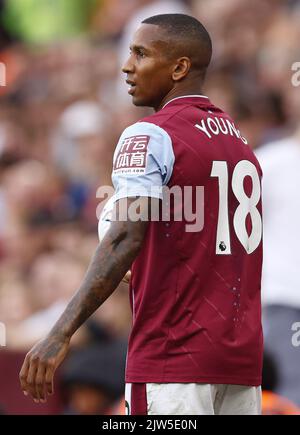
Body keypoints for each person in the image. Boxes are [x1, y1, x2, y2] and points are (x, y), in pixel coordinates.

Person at [19, 14, 264, 415]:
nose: (127, 65)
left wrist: (59, 333)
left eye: (141, 53)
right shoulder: (238, 141)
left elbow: (124, 237)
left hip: (173, 354)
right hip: (238, 360)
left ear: (179, 67)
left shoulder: (150, 133)